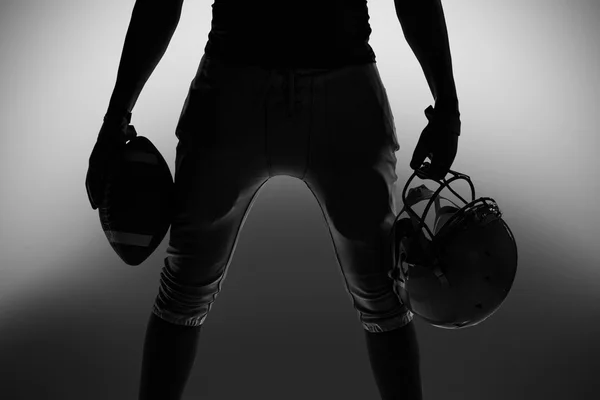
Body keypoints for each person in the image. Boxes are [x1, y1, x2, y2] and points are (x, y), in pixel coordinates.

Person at [91, 1, 461, 399]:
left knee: (185, 288)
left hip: (242, 83)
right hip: (330, 82)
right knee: (383, 296)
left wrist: (116, 117)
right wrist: (446, 107)